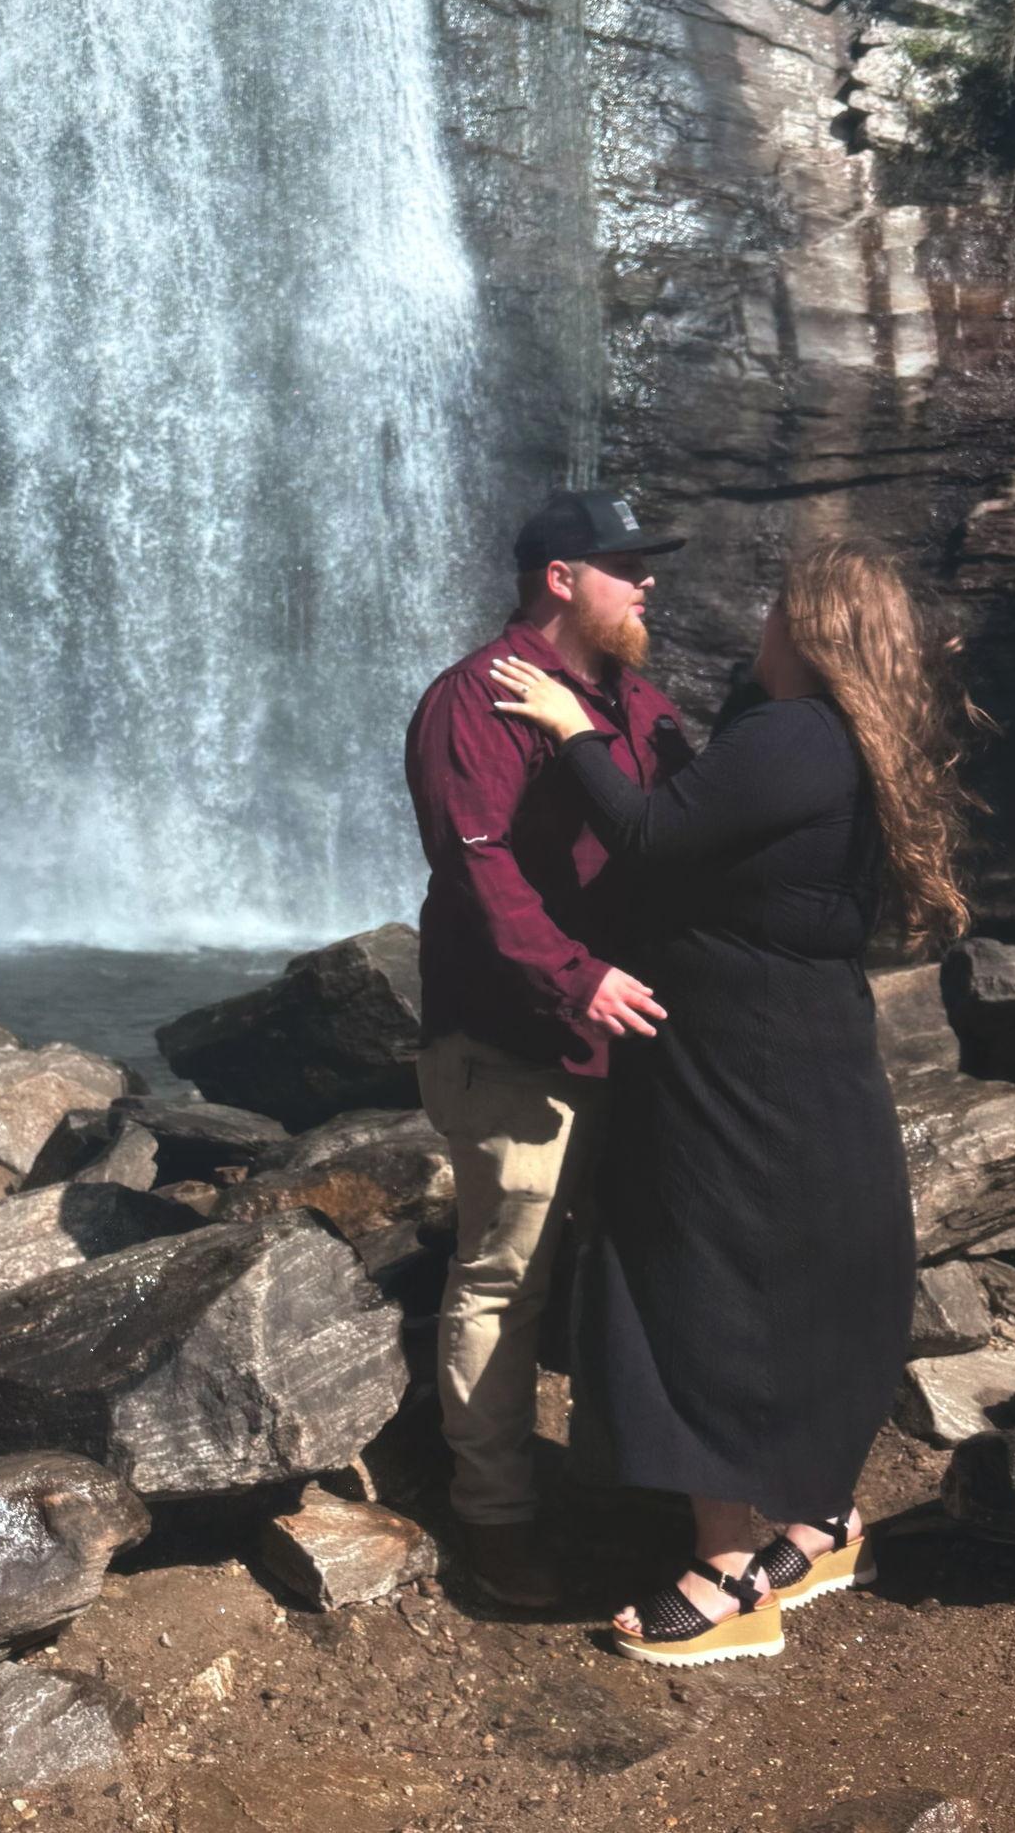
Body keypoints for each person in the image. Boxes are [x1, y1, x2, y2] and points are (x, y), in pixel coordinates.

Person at [487, 539, 986, 1664]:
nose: (753, 627)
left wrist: (570, 730)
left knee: (697, 1276)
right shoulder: (836, 735)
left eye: (774, 613)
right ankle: (817, 1523)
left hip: (738, 1065)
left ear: (804, 630)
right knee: (804, 1271)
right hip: (796, 1047)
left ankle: (727, 1572)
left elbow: (652, 833)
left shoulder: (795, 739)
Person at [405, 488, 692, 1608]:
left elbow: (685, 825)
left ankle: (641, 1482)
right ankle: (495, 1518)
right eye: (626, 564)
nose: (648, 581)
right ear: (560, 578)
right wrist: (576, 979)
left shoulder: (629, 699)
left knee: (629, 1272)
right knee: (504, 1278)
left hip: (627, 1037)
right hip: (514, 1041)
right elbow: (476, 875)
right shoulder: (470, 701)